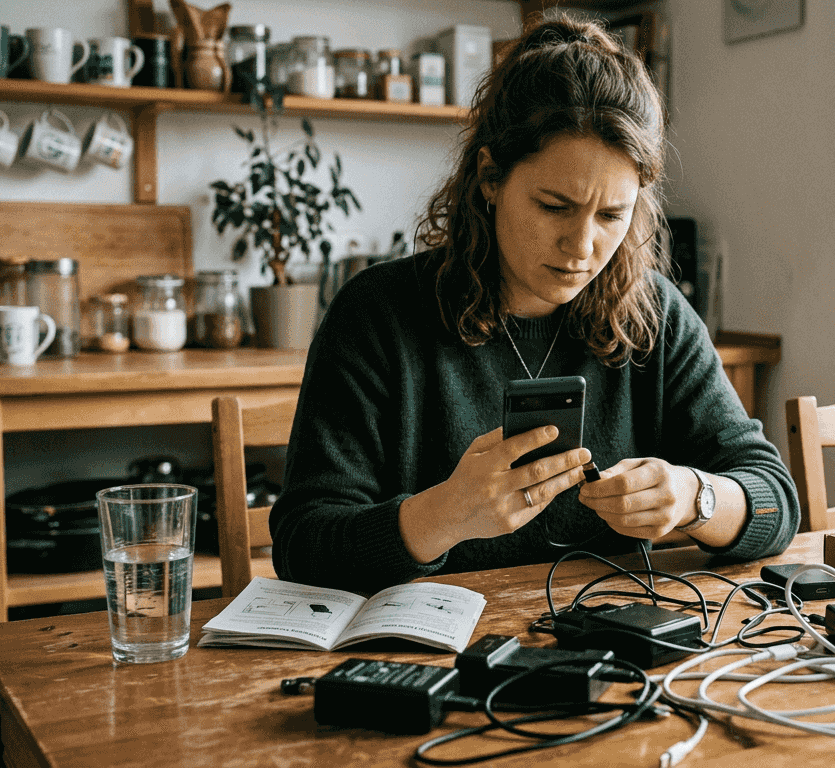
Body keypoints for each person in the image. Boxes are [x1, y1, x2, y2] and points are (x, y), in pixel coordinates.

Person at [270, 15, 799, 594]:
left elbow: (775, 501)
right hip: (424, 659)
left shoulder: (654, 316)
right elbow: (302, 545)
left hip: (609, 651)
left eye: (611, 216)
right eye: (554, 206)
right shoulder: (378, 315)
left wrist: (695, 497)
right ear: (490, 177)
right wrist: (443, 515)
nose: (582, 245)